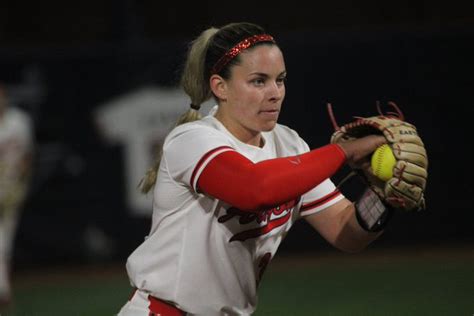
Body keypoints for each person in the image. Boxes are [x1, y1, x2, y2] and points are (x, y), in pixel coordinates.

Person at [117, 22, 392, 316]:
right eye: (258, 81)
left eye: (280, 79)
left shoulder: (289, 144)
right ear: (219, 87)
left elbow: (344, 231)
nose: (275, 93)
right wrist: (345, 152)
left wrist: (382, 196)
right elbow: (254, 189)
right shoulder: (193, 140)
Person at [0, 83, 34, 308]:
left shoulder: (18, 121)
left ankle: (3, 290)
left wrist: (21, 184)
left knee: (5, 242)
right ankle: (3, 290)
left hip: (11, 188)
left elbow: (27, 156)